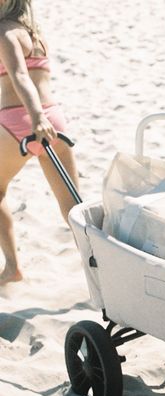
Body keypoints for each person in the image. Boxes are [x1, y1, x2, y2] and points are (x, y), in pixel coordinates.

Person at [0, 0, 79, 285]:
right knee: (73, 209)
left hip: (19, 123)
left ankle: (12, 268)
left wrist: (35, 117)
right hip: (55, 120)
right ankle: (100, 268)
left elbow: (20, 77)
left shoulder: (4, 32)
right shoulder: (35, 36)